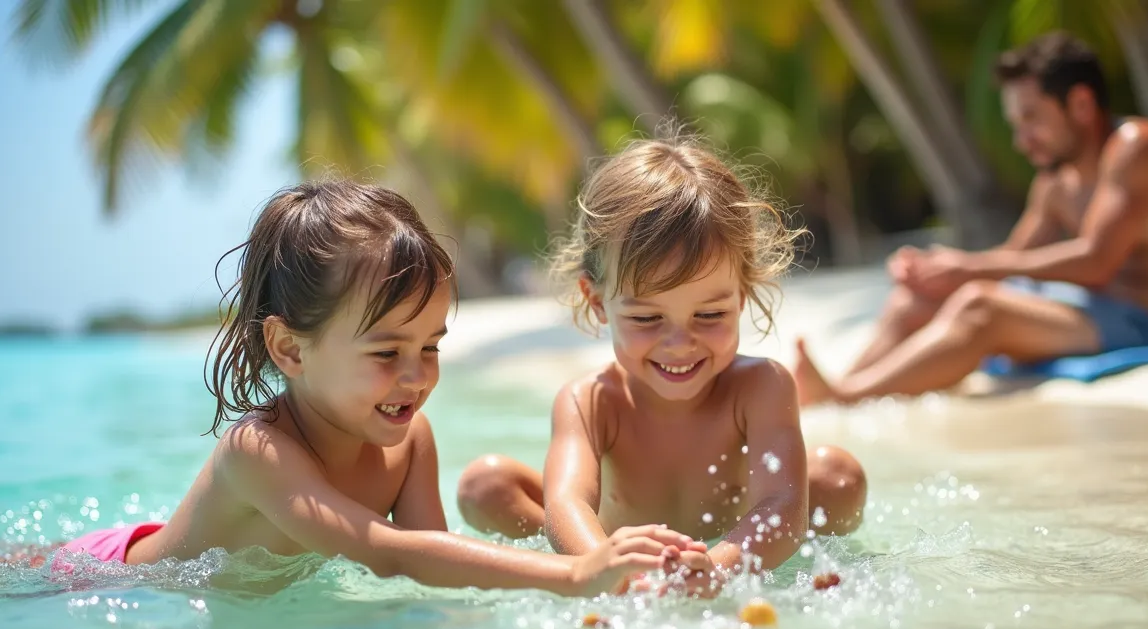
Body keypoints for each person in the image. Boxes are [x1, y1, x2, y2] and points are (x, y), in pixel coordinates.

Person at [52, 180, 710, 597]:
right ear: (289, 348)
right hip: (108, 576)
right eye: (386, 351)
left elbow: (432, 569)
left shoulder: (410, 443)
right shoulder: (257, 452)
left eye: (430, 346)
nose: (417, 374)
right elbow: (384, 552)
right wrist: (573, 574)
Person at [455, 137, 868, 594]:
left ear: (742, 295)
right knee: (485, 485)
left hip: (729, 540)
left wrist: (721, 565)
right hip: (614, 541)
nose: (679, 343)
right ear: (597, 301)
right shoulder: (591, 400)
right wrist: (604, 566)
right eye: (647, 318)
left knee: (837, 477)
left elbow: (782, 502)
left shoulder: (760, 387)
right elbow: (567, 500)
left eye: (709, 315)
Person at [793, 31, 1148, 406]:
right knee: (916, 301)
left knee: (980, 307)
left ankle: (847, 398)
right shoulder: (1058, 181)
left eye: (1031, 119)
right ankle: (835, 393)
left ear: (1081, 103)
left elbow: (1096, 262)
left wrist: (968, 269)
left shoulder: (1138, 149)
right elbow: (1014, 258)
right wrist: (936, 272)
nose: (1021, 140)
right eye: (1016, 124)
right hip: (1099, 309)